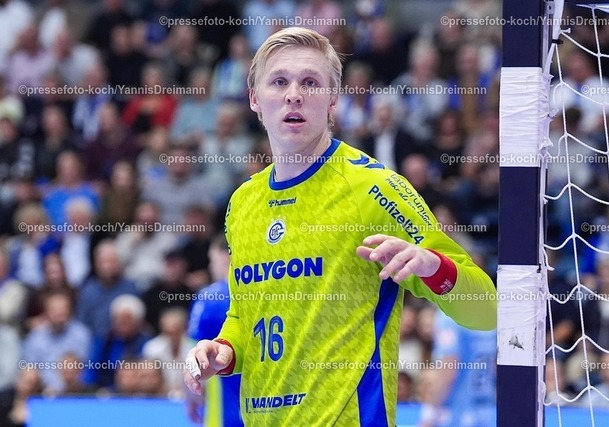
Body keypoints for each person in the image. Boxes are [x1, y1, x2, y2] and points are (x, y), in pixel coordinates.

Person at [184, 27, 496, 426]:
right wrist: (224, 352)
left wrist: (432, 266)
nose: (294, 94)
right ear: (254, 99)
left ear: (333, 100)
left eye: (310, 82)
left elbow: (487, 312)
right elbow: (246, 317)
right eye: (279, 81)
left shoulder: (375, 188)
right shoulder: (243, 203)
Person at [186, 235, 242, 426]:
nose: (211, 267)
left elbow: (193, 352)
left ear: (226, 256)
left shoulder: (209, 297)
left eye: (212, 260)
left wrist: (190, 394)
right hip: (264, 401)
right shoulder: (261, 292)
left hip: (223, 406)